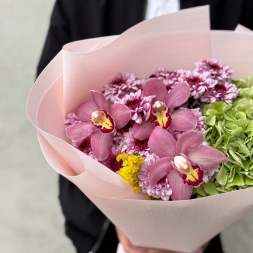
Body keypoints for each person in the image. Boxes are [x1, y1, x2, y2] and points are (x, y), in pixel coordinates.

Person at [36, 1, 253, 252]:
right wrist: (126, 220)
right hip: (99, 225)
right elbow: (53, 96)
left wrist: (199, 226)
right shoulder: (81, 4)